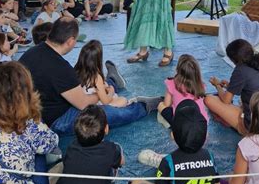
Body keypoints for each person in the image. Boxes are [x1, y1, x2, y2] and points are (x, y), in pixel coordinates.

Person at [20, 18, 159, 134]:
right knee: (111, 113)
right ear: (70, 41)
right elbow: (83, 104)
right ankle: (142, 106)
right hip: (57, 120)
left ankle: (113, 81)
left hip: (35, 112)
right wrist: (100, 94)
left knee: (93, 84)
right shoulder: (61, 68)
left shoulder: (30, 53)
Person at [53, 105, 123, 184]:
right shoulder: (111, 149)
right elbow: (122, 162)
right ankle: (111, 174)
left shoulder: (72, 147)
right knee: (115, 158)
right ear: (106, 129)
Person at [205, 39, 259, 133]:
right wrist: (230, 86)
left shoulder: (241, 70)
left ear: (234, 59)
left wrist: (217, 85)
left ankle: (243, 128)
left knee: (209, 99)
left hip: (256, 126)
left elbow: (226, 100)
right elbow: (254, 85)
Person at [74, 40, 128, 109]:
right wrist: (111, 91)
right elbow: (106, 102)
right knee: (123, 100)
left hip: (84, 102)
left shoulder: (76, 70)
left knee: (106, 84)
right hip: (96, 106)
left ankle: (113, 79)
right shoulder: (96, 77)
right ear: (98, 60)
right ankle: (114, 80)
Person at [157, 54, 208, 127]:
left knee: (160, 105)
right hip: (201, 123)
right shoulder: (201, 85)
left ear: (177, 69)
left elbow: (166, 104)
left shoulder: (172, 83)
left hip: (181, 123)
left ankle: (175, 129)